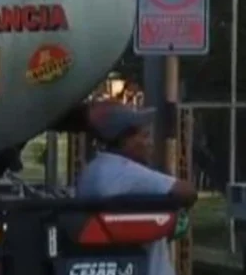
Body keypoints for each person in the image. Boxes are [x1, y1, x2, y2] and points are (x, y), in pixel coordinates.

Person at [76, 101, 198, 275]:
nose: (150, 143)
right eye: (144, 136)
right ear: (126, 140)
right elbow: (187, 192)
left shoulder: (92, 170)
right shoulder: (126, 171)